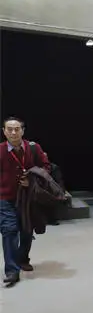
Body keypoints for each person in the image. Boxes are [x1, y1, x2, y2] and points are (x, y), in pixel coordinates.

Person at [0, 117, 50, 285]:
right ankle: (12, 271)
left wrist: (32, 180)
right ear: (4, 131)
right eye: (9, 129)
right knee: (9, 231)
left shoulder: (33, 148)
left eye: (17, 129)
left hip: (28, 198)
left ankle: (23, 258)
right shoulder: (0, 150)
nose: (13, 132)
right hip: (5, 198)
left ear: (22, 131)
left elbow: (46, 167)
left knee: (27, 229)